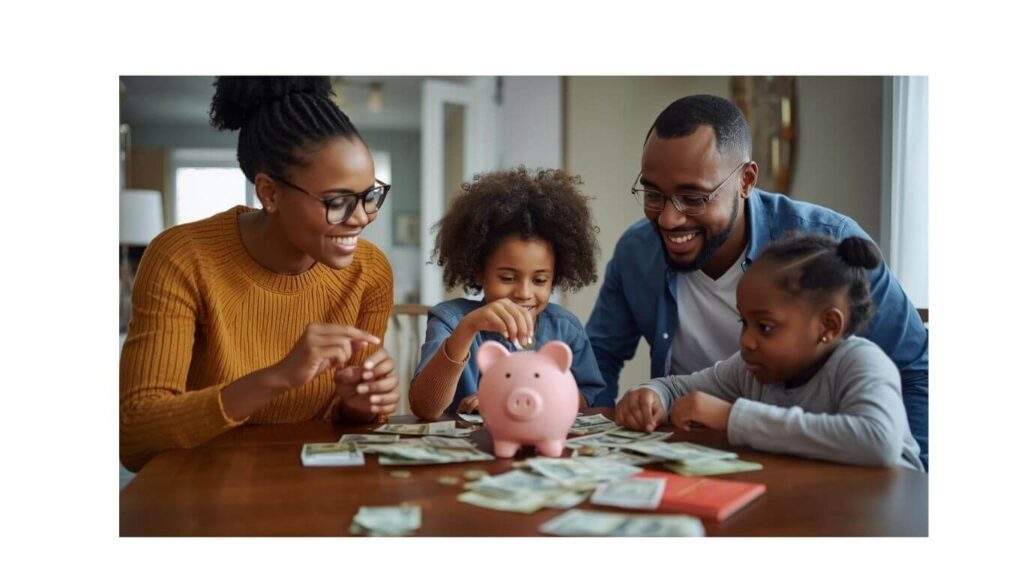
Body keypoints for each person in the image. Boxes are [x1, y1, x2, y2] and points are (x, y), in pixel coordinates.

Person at [586, 94, 929, 467]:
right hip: (712, 458)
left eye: (693, 197)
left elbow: (913, 371)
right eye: (654, 194)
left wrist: (918, 491)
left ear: (746, 180)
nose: (669, 219)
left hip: (830, 470)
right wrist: (608, 427)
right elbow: (599, 357)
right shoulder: (638, 252)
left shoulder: (830, 249)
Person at [120, 77, 398, 472]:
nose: (361, 219)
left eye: (369, 196)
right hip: (200, 493)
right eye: (337, 201)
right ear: (269, 194)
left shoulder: (369, 272)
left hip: (315, 495)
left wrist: (360, 404)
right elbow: (134, 436)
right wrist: (279, 376)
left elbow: (349, 424)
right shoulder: (182, 258)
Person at [616, 234, 924, 471]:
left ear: (828, 325)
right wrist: (651, 395)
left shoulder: (861, 362)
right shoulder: (751, 369)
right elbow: (678, 386)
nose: (746, 341)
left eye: (764, 327)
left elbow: (877, 442)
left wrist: (731, 417)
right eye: (743, 322)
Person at [409, 167, 608, 419]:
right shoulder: (451, 321)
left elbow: (587, 397)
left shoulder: (566, 329)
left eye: (539, 280)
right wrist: (467, 329)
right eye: (507, 278)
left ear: (555, 277)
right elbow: (425, 408)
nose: (524, 293)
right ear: (478, 271)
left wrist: (515, 397)